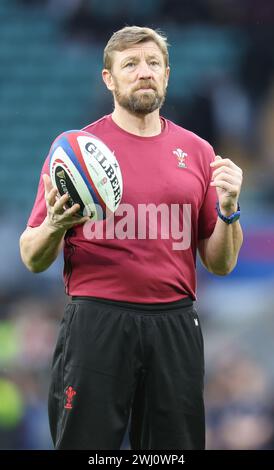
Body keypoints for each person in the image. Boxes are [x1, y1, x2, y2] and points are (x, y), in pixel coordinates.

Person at [19, 26, 243, 450]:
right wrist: (54, 225)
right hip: (98, 320)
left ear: (167, 74)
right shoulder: (75, 150)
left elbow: (221, 263)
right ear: (108, 77)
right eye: (131, 64)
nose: (144, 72)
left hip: (175, 323)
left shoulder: (197, 151)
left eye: (153, 63)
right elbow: (31, 256)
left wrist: (230, 209)